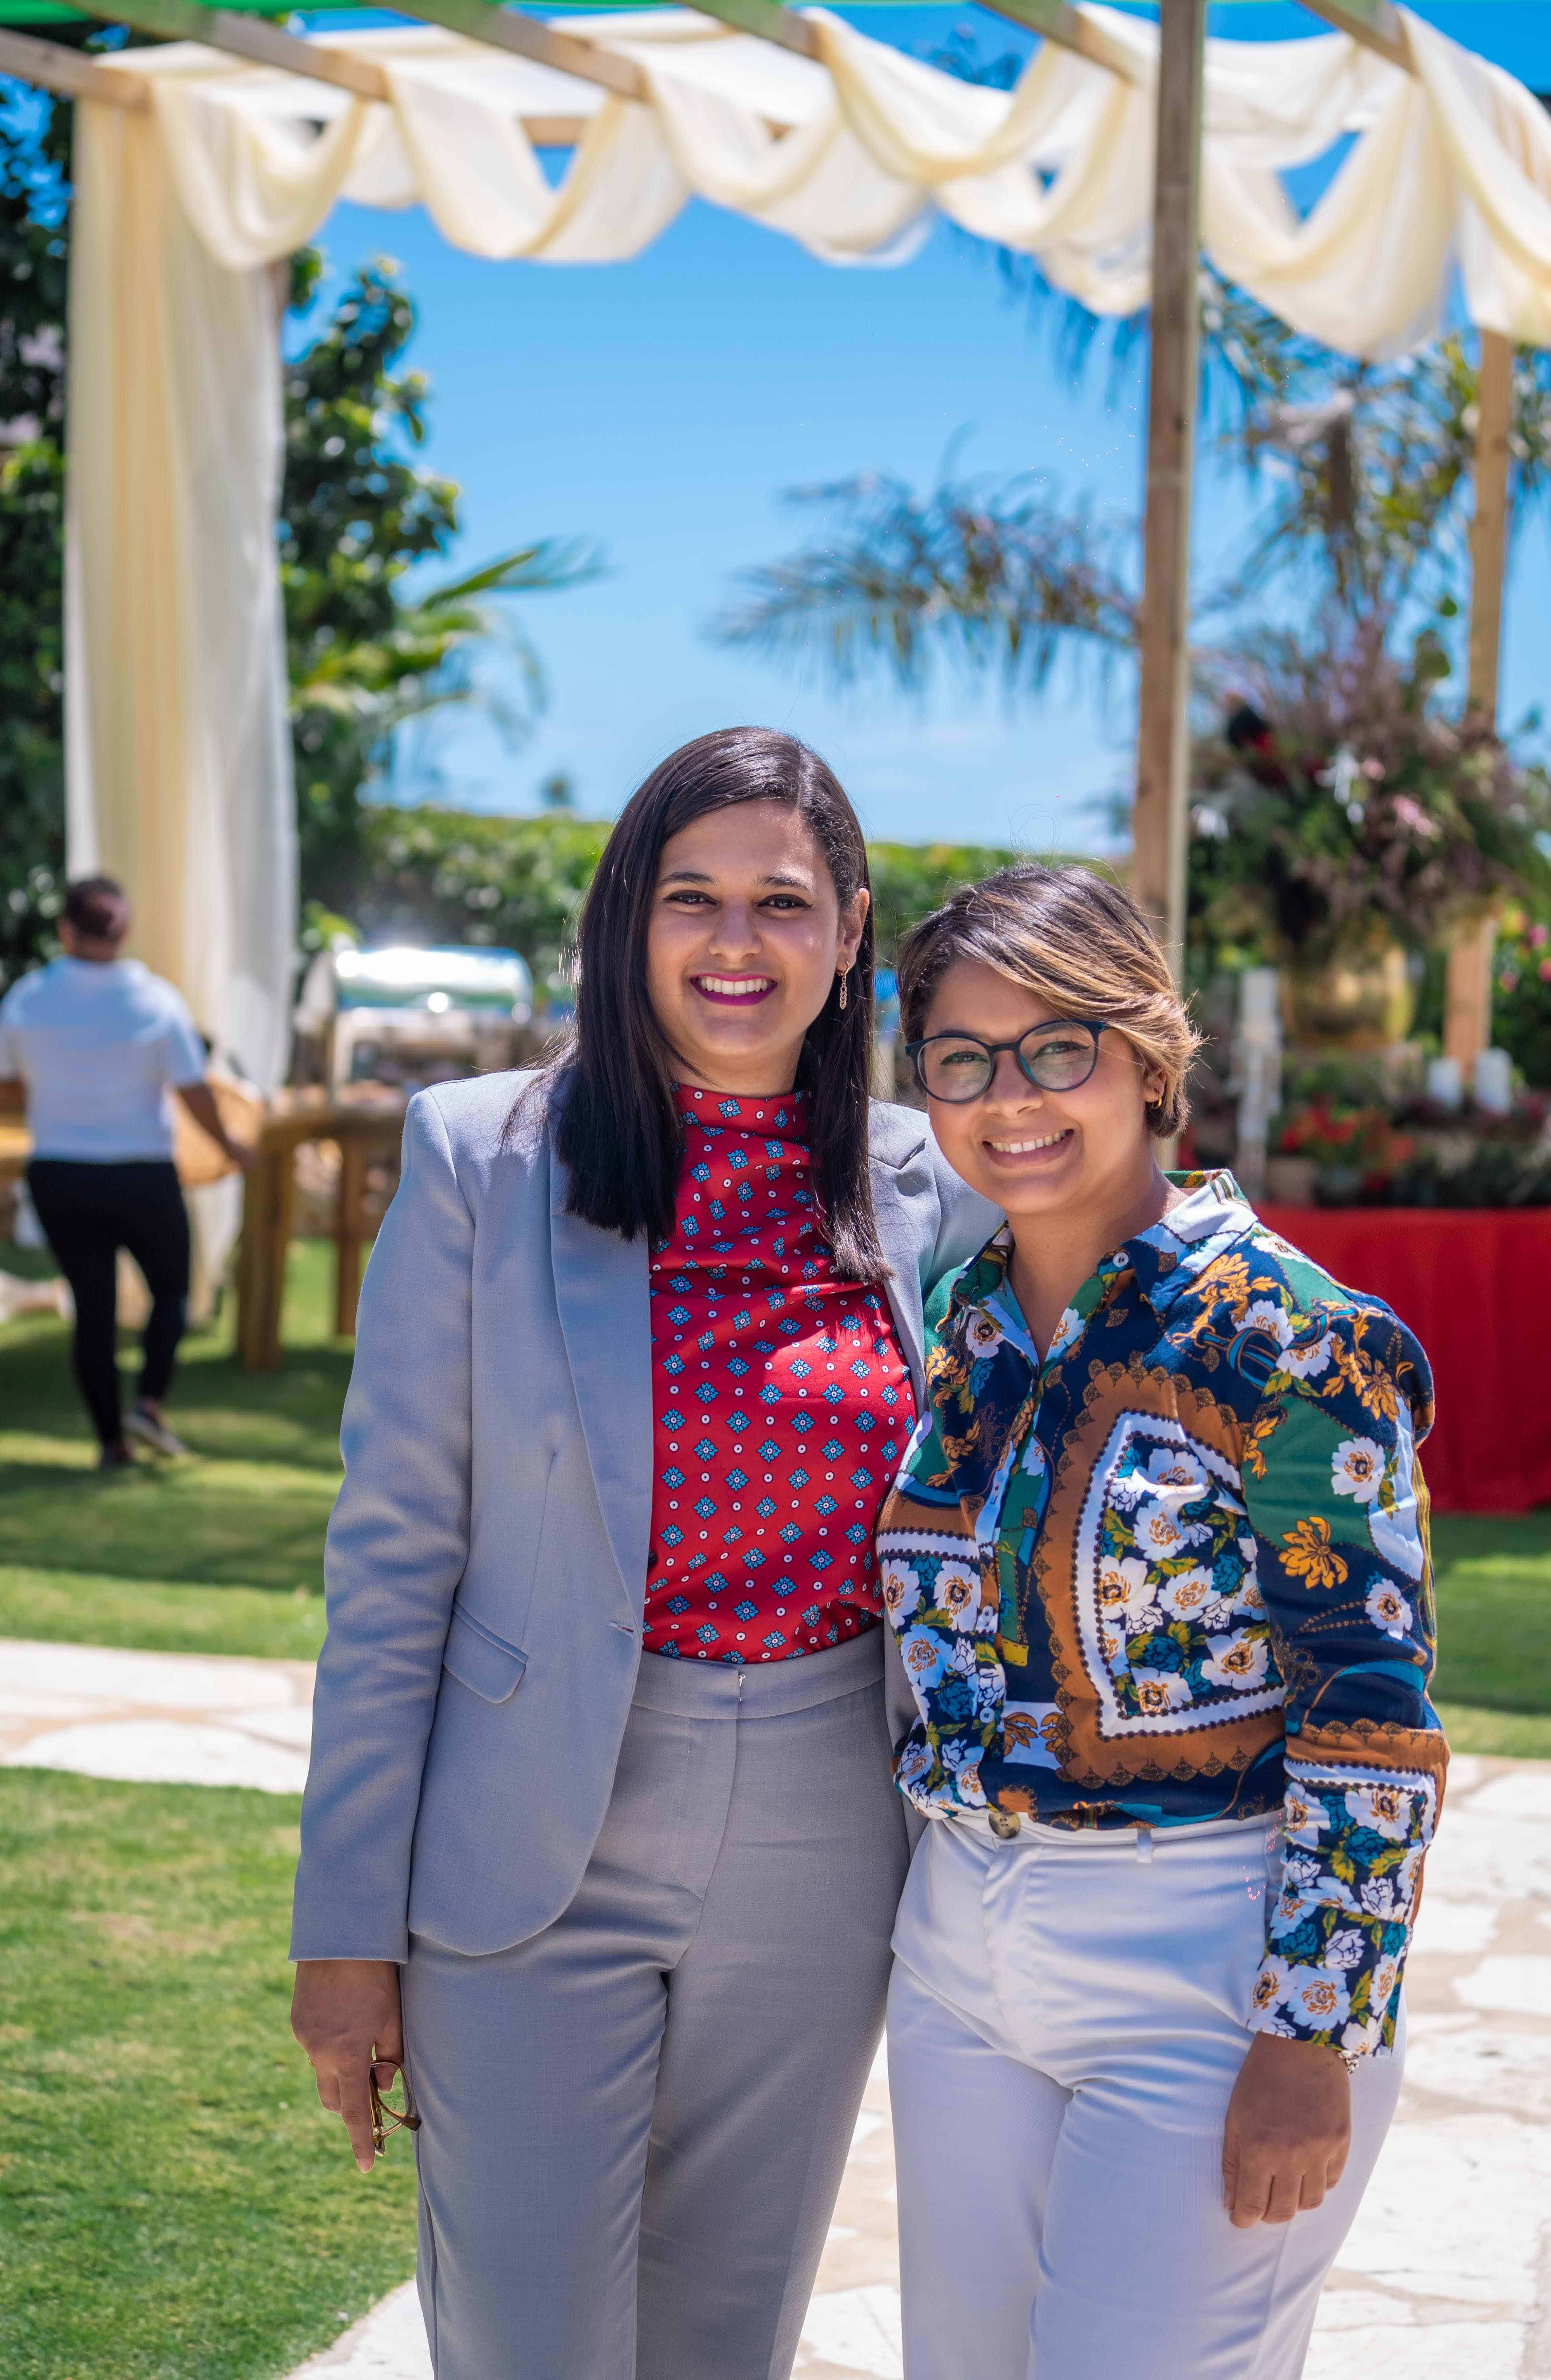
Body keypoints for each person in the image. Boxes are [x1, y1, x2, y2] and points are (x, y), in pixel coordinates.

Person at [287, 729, 996, 2380]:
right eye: (692, 898)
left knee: (722, 2343)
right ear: (628, 919)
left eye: (782, 902)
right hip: (528, 1837)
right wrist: (344, 1933)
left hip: (826, 1833)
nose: (735, 944)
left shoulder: (934, 1188)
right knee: (528, 2345)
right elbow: (391, 1563)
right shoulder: (482, 1156)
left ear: (849, 933)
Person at [875, 863, 1444, 2380]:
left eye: (1058, 1047)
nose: (1013, 1098)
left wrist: (1317, 2030)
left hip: (1209, 1956)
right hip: (957, 1952)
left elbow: (1373, 1705)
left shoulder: (1299, 1341)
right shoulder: (956, 1324)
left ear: (1148, 1057)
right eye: (963, 1060)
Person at [0, 875, 253, 1468]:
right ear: (124, 931)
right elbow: (194, 1092)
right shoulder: (155, 999)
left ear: (66, 929)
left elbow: (8, 1085)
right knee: (171, 1292)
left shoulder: (28, 999)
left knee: (94, 1307)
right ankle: (151, 1402)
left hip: (61, 1172)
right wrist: (232, 1148)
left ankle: (111, 1443)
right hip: (143, 1173)